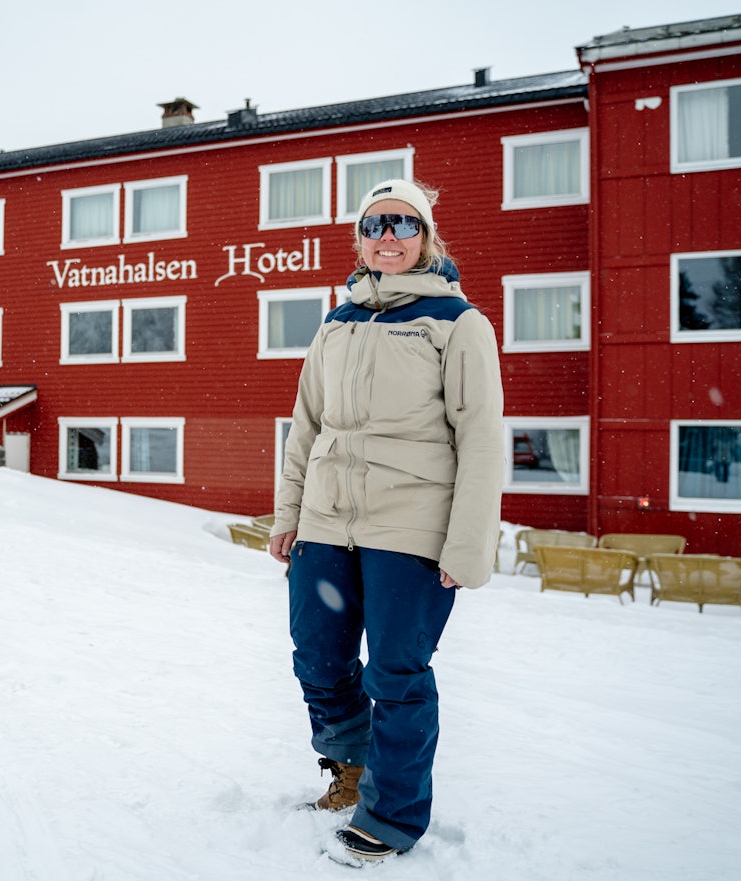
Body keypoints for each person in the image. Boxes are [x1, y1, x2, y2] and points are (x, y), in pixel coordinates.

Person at [268, 179, 504, 862]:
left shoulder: (458, 323)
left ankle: (392, 816)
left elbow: (482, 438)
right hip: (325, 522)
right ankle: (350, 767)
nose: (389, 237)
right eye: (375, 226)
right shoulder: (336, 323)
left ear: (427, 238)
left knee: (397, 673)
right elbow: (305, 425)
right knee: (317, 656)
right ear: (361, 240)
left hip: (411, 526)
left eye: (404, 225)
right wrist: (290, 514)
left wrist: (467, 543)